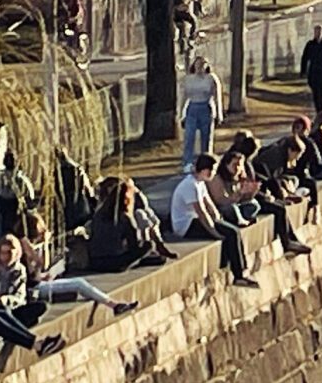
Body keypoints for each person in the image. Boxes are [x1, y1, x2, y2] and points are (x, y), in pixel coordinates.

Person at [0, 233, 137, 315]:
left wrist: (44, 246)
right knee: (79, 284)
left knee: (78, 285)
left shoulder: (20, 259)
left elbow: (39, 269)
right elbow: (32, 276)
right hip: (35, 290)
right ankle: (113, 305)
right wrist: (34, 251)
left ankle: (111, 303)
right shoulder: (17, 257)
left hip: (38, 283)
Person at [169, 156, 256, 285]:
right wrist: (214, 232)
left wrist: (218, 219)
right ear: (204, 170)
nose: (214, 173)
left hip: (196, 219)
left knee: (233, 231)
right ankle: (238, 275)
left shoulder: (200, 182)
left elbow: (209, 205)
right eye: (212, 170)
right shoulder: (190, 185)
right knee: (229, 233)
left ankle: (240, 269)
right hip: (186, 225)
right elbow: (202, 212)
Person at [85, 176, 171, 273]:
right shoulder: (125, 217)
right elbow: (134, 245)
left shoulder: (98, 214)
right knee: (148, 246)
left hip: (95, 262)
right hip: (115, 263)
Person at [181, 57, 221, 170]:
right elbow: (184, 97)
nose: (200, 67)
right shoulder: (188, 79)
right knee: (189, 137)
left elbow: (217, 96)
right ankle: (187, 163)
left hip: (206, 107)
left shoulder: (211, 78)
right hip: (192, 108)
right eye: (198, 64)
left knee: (206, 137)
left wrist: (219, 113)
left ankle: (206, 161)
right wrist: (182, 114)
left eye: (202, 64)